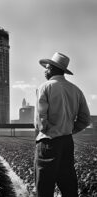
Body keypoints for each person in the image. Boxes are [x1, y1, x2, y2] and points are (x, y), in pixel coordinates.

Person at [35, 52, 91, 197]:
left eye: (46, 68)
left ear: (53, 69)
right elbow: (85, 119)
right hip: (67, 142)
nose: (45, 71)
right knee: (68, 186)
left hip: (48, 141)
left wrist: (46, 129)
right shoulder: (76, 90)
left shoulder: (45, 87)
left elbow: (41, 118)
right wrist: (69, 130)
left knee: (44, 188)